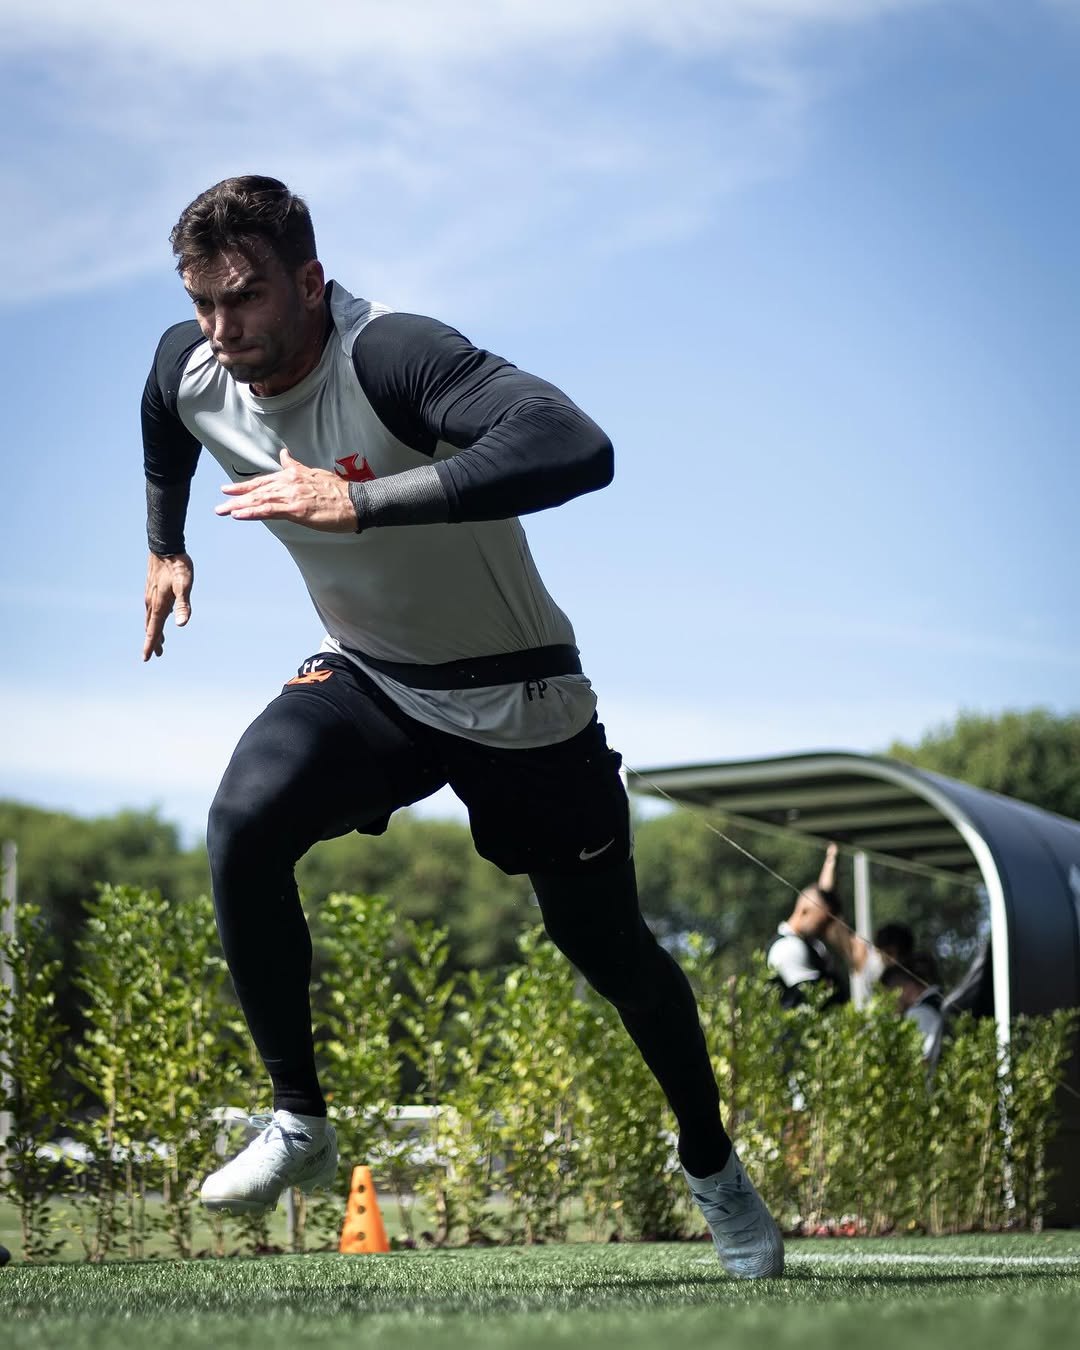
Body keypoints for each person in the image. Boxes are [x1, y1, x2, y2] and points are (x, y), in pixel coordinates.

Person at [140, 176, 782, 1278]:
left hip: (519, 696)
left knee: (609, 950)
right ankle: (299, 1117)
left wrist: (362, 501)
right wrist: (166, 544)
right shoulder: (192, 366)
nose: (221, 328)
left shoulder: (390, 354)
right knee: (244, 820)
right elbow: (165, 417)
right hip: (373, 681)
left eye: (244, 298)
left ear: (310, 281)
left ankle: (712, 1165)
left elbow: (577, 444)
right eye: (202, 302)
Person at [767, 842, 847, 1009]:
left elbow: (822, 896)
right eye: (822, 922)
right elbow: (811, 999)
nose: (826, 929)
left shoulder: (810, 944)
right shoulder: (788, 948)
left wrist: (831, 860)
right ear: (804, 911)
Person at [880, 953, 947, 1075]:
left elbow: (920, 1063)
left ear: (907, 987)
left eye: (891, 994)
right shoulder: (941, 1002)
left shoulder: (918, 1014)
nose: (889, 1002)